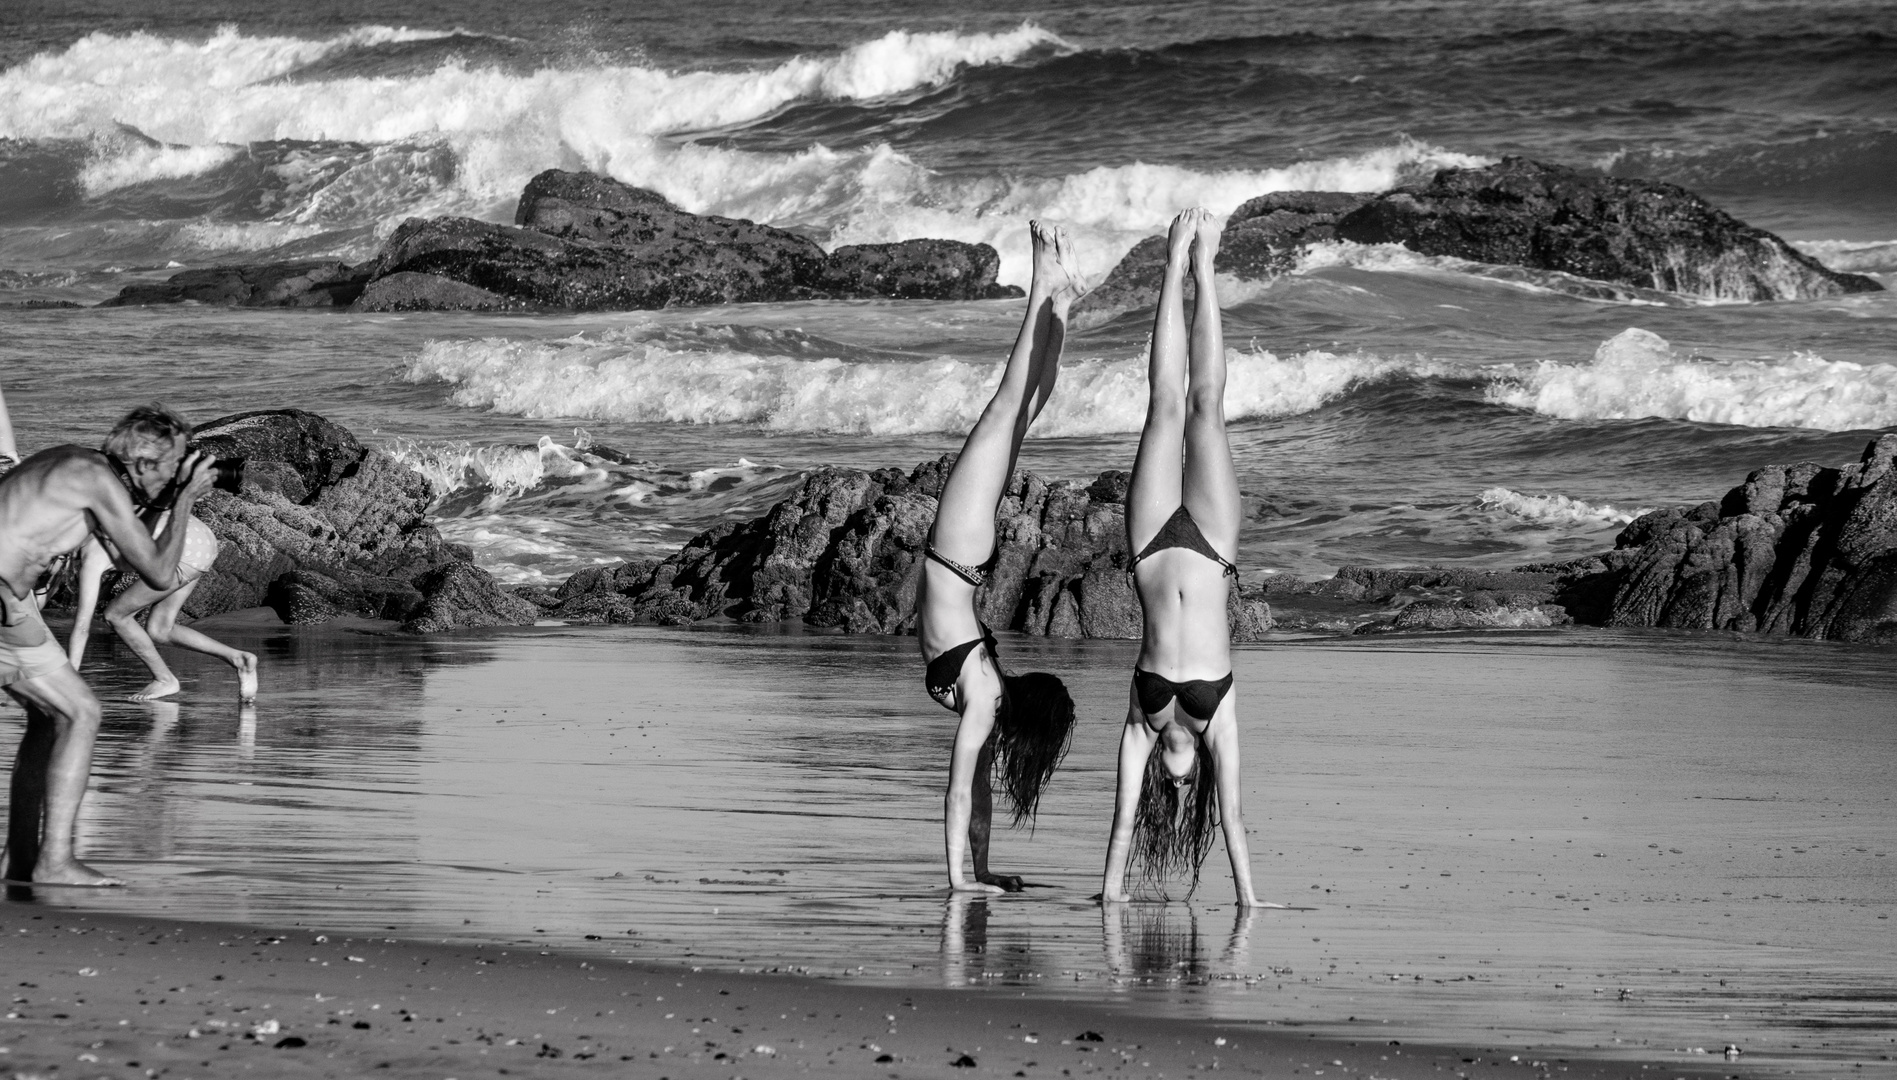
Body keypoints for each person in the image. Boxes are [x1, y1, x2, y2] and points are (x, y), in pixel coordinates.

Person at [1099, 208, 1265, 907]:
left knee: (1164, 406)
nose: (1172, 785)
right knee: (1206, 407)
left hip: (1145, 550)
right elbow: (1233, 822)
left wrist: (1108, 893)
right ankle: (1206, 267)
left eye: (1164, 791)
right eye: (1179, 791)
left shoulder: (1142, 729)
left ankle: (1172, 266)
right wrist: (1250, 902)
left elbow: (1117, 823)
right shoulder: (1216, 723)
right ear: (1193, 782)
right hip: (1212, 549)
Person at [921, 220, 1084, 894]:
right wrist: (965, 882)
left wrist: (975, 876)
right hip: (956, 556)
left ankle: (1055, 300)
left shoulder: (985, 702)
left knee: (1011, 415)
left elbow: (967, 792)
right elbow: (961, 792)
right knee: (1007, 412)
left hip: (963, 559)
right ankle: (1049, 295)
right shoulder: (983, 697)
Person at [0, 404, 213, 885]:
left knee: (49, 716)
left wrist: (166, 498)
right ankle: (54, 862)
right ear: (142, 463)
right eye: (173, 466)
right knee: (82, 713)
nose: (177, 475)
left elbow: (126, 550)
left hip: (9, 605)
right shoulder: (97, 479)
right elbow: (159, 572)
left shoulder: (74, 465)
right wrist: (185, 501)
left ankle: (19, 859)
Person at [66, 503, 257, 702]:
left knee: (116, 615)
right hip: (198, 537)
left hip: (182, 552)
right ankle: (238, 658)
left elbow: (81, 626)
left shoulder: (92, 554)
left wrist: (68, 683)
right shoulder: (101, 516)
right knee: (161, 629)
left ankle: (164, 679)